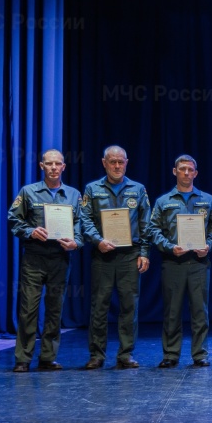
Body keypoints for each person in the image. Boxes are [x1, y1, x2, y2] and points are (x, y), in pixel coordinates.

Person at [8, 149, 83, 372]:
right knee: (28, 309)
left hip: (60, 258)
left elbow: (81, 223)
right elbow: (13, 219)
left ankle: (48, 358)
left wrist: (76, 242)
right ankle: (23, 358)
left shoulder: (73, 195)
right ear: (42, 166)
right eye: (48, 164)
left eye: (57, 164)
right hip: (34, 257)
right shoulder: (28, 192)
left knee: (54, 309)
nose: (53, 167)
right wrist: (30, 231)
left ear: (63, 167)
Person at [80, 145, 151, 369]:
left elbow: (145, 223)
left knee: (129, 306)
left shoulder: (138, 189)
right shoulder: (92, 189)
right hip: (102, 255)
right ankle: (97, 354)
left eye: (121, 161)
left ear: (126, 163)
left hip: (130, 255)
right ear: (104, 163)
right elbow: (85, 220)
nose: (117, 166)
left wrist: (144, 252)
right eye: (113, 162)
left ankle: (125, 354)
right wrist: (97, 240)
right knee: (99, 306)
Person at [149, 154, 212, 368]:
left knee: (200, 311)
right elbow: (153, 230)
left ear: (196, 173)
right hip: (173, 263)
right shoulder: (163, 201)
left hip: (199, 264)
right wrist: (170, 247)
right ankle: (171, 354)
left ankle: (200, 354)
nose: (187, 173)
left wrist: (209, 245)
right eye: (182, 169)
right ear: (175, 171)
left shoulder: (207, 199)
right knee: (172, 312)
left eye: (191, 170)